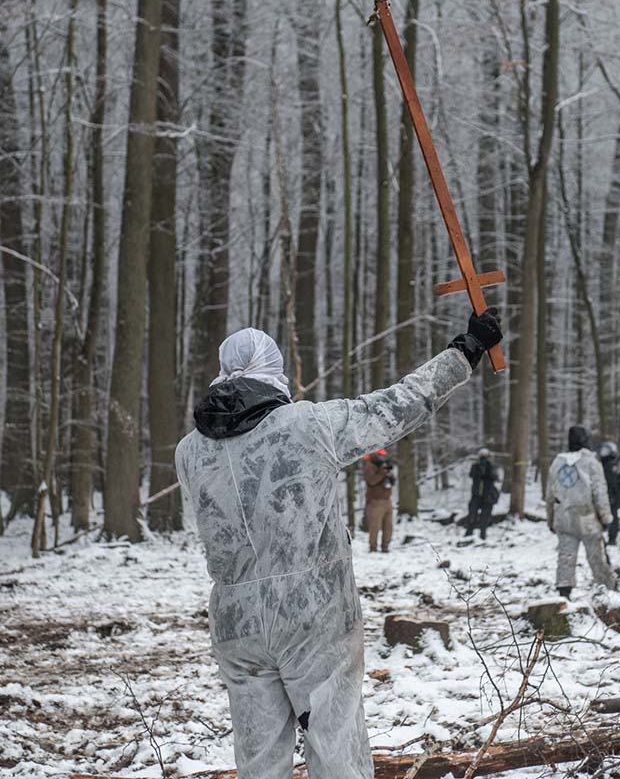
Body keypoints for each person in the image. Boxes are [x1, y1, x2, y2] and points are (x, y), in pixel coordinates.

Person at [175, 312, 501, 778]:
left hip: (236, 624)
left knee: (258, 762)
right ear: (274, 370)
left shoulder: (189, 450)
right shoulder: (308, 426)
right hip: (314, 618)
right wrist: (465, 350)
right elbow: (397, 406)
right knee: (337, 751)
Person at [546, 426, 617, 598]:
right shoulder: (591, 462)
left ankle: (564, 591)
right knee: (596, 556)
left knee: (566, 556)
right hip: (587, 517)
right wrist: (606, 517)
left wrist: (551, 520)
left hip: (564, 516)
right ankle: (608, 590)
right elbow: (599, 491)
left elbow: (550, 494)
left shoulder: (557, 463)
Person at [361, 449, 395, 552]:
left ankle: (385, 546)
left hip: (387, 500)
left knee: (388, 526)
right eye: (380, 455)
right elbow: (371, 481)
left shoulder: (384, 466)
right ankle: (373, 547)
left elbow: (392, 482)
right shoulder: (369, 466)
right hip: (375, 501)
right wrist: (382, 473)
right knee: (375, 526)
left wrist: (389, 474)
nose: (382, 457)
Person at [465, 447, 499, 540]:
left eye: (485, 457)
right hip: (476, 495)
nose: (483, 459)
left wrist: (488, 469)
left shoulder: (492, 467)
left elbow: (494, 477)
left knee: (485, 517)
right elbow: (472, 475)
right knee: (472, 514)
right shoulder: (475, 466)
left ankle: (483, 535)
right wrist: (479, 470)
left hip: (487, 495)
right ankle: (469, 533)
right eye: (482, 457)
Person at [597, 441, 620, 546]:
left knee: (612, 517)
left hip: (610, 495)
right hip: (604, 494)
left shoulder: (611, 465)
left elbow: (613, 482)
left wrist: (614, 494)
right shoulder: (601, 465)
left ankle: (612, 537)